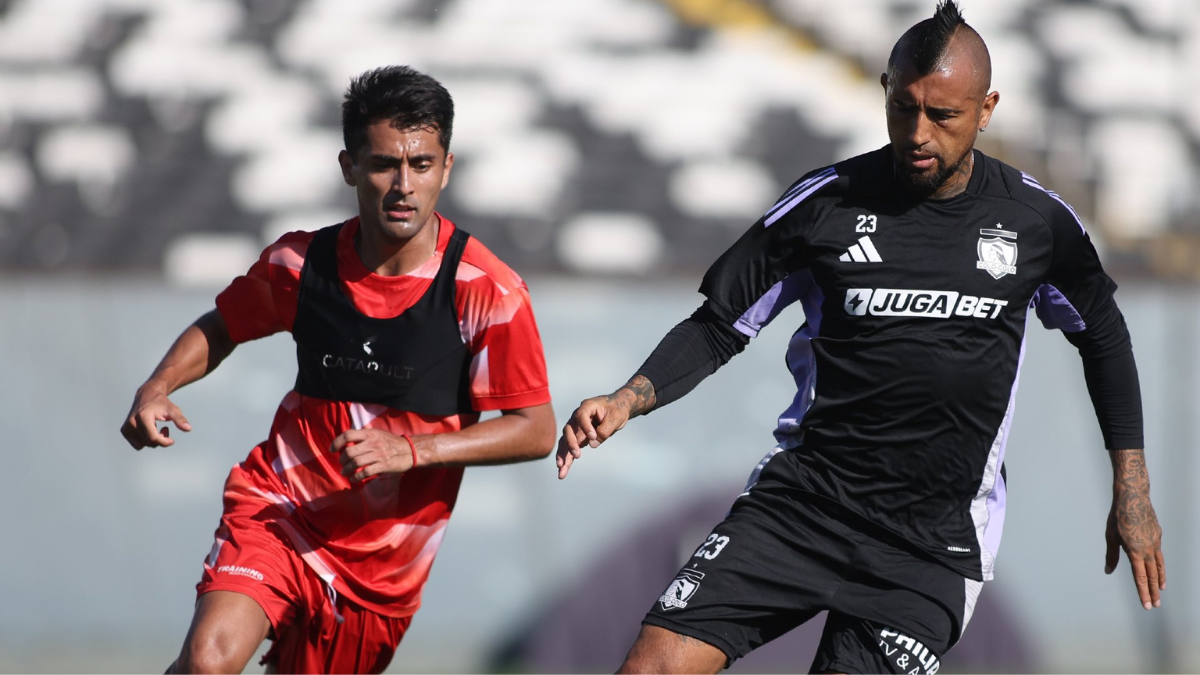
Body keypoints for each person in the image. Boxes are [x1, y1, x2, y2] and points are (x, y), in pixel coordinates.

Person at [556, 2, 1166, 673]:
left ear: (986, 109)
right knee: (650, 665)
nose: (918, 133)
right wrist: (628, 397)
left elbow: (1103, 336)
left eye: (943, 115)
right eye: (904, 108)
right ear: (885, 90)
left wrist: (1131, 490)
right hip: (803, 507)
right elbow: (720, 323)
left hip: (930, 546)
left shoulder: (1035, 222)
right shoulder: (826, 203)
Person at [120, 65, 556, 674]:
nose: (403, 185)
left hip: (379, 576)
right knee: (207, 660)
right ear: (349, 166)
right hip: (281, 509)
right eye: (383, 164)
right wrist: (158, 385)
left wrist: (413, 451)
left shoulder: (487, 290)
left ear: (447, 168)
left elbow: (535, 429)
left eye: (421, 165)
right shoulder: (301, 263)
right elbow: (223, 325)